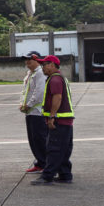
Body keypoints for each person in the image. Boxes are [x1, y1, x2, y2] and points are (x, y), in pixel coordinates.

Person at [30, 55, 74, 185]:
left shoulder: (54, 79)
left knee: (53, 149)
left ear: (52, 65)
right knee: (63, 149)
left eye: (45, 64)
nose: (42, 67)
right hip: (66, 121)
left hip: (59, 120)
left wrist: (51, 117)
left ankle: (47, 176)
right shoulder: (59, 78)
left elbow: (57, 98)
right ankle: (65, 174)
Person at [19, 50, 48, 172]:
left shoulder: (40, 73)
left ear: (37, 61)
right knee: (33, 140)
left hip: (37, 111)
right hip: (29, 112)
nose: (27, 63)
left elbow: (39, 93)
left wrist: (28, 105)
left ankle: (46, 164)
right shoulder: (29, 74)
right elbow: (25, 92)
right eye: (26, 61)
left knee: (40, 139)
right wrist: (22, 104)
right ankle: (40, 163)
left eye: (29, 61)